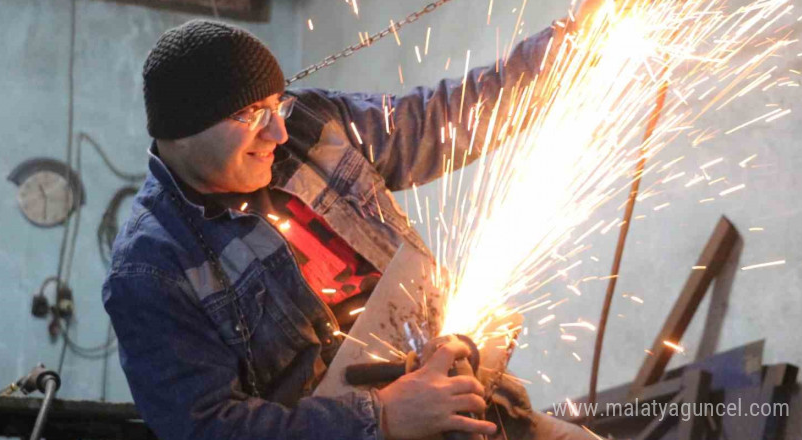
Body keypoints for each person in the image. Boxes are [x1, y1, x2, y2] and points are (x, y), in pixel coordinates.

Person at [104, 4, 603, 439]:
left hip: (474, 408)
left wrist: (569, 48)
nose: (278, 131)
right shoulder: (151, 270)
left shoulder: (308, 124)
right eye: (253, 115)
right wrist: (382, 418)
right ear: (183, 132)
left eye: (276, 105)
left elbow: (439, 120)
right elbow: (210, 429)